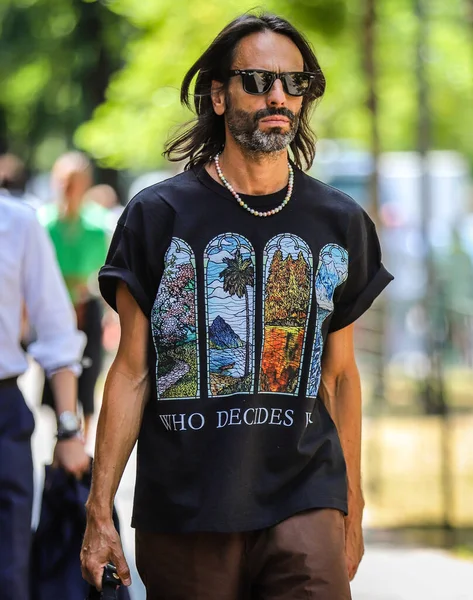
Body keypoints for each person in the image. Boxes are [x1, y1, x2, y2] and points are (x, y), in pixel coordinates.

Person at [81, 12, 393, 600]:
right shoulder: (156, 217)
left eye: (293, 84)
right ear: (219, 96)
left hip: (306, 494)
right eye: (257, 80)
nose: (278, 95)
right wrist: (99, 512)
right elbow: (130, 370)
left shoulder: (340, 221)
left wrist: (352, 501)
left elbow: (342, 375)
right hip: (186, 506)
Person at [0, 193, 90, 600]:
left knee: (9, 572)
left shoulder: (17, 222)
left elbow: (56, 330)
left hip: (3, 417)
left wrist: (69, 431)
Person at [38, 152, 110, 441]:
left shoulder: (96, 226)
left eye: (75, 183)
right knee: (56, 373)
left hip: (84, 308)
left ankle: (84, 441)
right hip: (54, 311)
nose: (69, 189)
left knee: (88, 374)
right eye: (65, 182)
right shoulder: (43, 224)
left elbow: (98, 272)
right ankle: (63, 435)